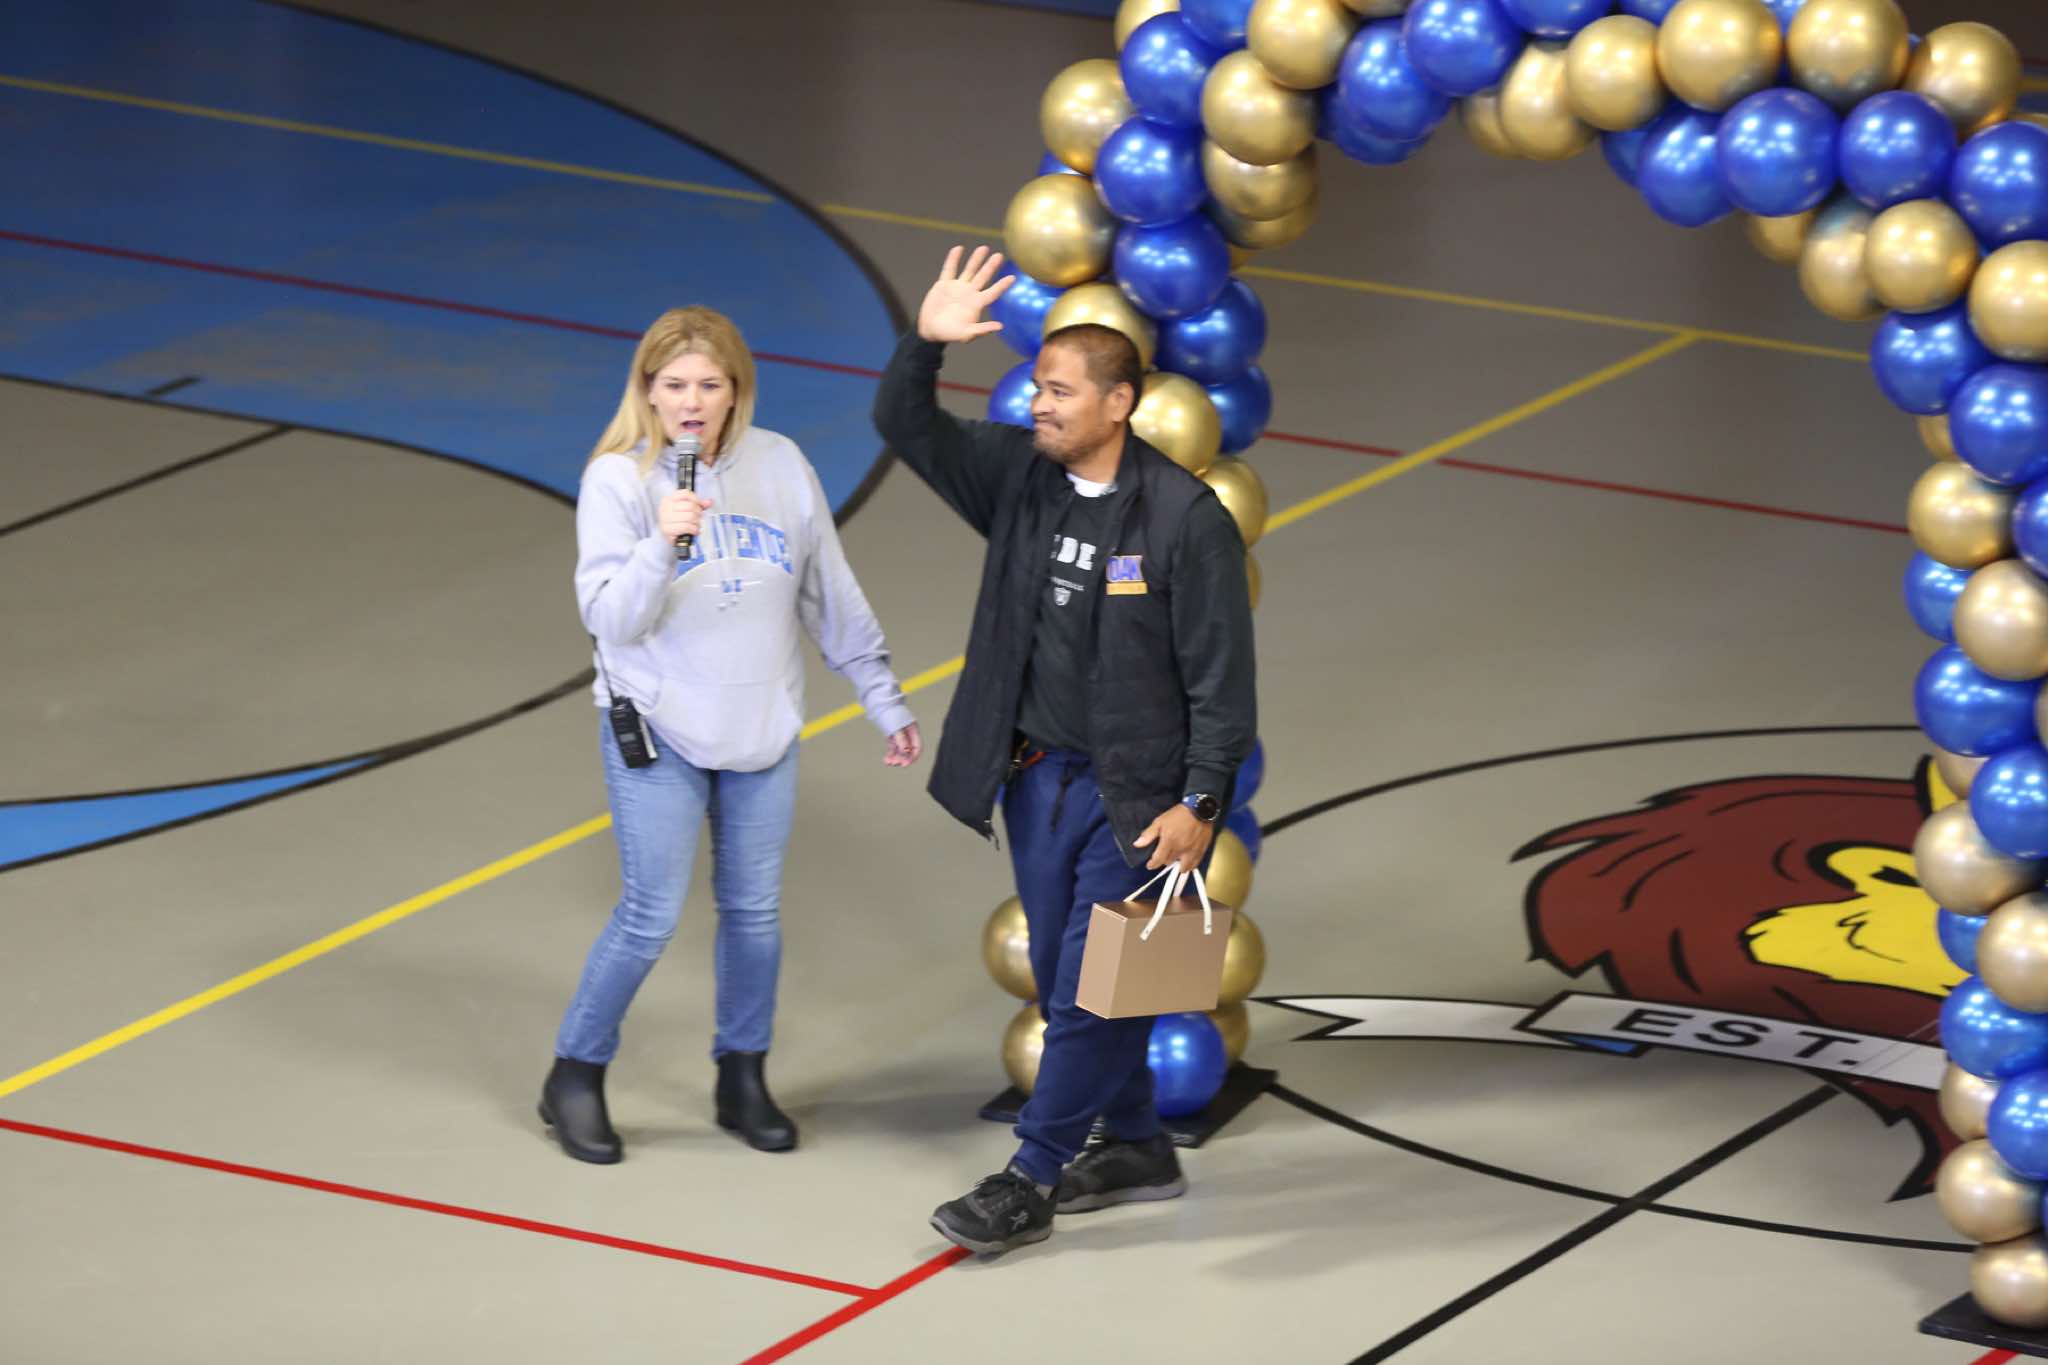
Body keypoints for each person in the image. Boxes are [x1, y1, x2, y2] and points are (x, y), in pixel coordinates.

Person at [873, 247, 1257, 1253]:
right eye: (1037, 387)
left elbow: (1222, 683)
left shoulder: (1185, 521)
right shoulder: (1017, 478)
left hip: (1138, 797)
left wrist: (1200, 801)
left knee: (1094, 987)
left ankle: (1030, 1177)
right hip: (1038, 780)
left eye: (1059, 390)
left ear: (1117, 403)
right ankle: (1138, 1145)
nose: (1037, 405)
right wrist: (924, 343)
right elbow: (904, 426)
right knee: (1067, 976)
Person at [541, 305, 921, 1162]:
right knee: (649, 916)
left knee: (754, 915)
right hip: (659, 726)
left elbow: (828, 588)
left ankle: (741, 1073)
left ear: (736, 390)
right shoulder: (617, 480)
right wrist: (662, 543)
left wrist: (881, 694)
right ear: (647, 389)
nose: (692, 401)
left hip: (761, 725)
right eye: (674, 384)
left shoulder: (781, 464)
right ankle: (575, 1070)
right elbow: (611, 619)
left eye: (710, 384)